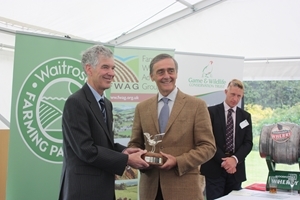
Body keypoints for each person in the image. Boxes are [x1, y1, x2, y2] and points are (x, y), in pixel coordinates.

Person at [58, 45, 149, 200]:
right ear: (89, 69)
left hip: (103, 188)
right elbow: (86, 149)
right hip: (83, 190)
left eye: (113, 68)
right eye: (105, 67)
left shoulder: (106, 104)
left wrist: (124, 151)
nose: (111, 73)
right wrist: (126, 160)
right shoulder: (75, 102)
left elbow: (104, 143)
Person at [127, 53, 216, 200]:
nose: (166, 76)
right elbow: (135, 144)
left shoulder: (196, 105)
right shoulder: (142, 108)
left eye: (171, 70)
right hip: (151, 190)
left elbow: (208, 147)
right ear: (151, 76)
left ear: (176, 73)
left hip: (185, 189)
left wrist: (178, 161)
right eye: (160, 72)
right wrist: (139, 158)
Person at [200, 79, 253, 200]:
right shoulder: (210, 112)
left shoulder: (245, 116)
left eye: (239, 96)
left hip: (236, 170)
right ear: (226, 92)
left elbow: (248, 143)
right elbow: (208, 140)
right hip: (214, 169)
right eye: (232, 94)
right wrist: (224, 162)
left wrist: (234, 160)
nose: (235, 99)